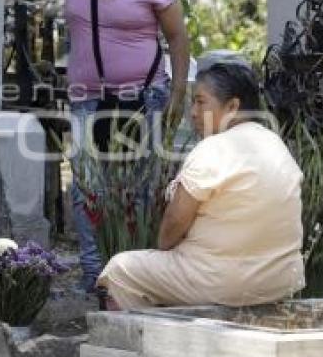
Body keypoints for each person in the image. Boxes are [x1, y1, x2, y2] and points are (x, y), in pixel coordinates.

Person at [0, 0, 190, 291]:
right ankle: (94, 276)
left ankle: (138, 274)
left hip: (144, 96)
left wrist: (178, 93)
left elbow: (177, 37)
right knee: (85, 188)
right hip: (88, 100)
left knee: (139, 190)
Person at [98, 63, 306, 309]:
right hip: (280, 281)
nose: (193, 112)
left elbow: (174, 224)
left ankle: (152, 343)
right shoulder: (275, 144)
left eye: (200, 102)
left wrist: (165, 248)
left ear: (232, 107)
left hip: (224, 282)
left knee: (119, 271)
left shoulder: (215, 147)